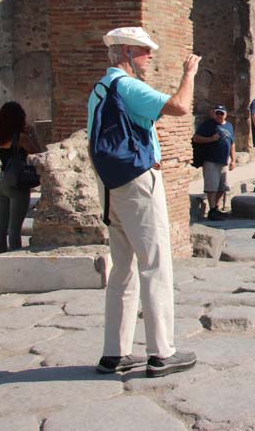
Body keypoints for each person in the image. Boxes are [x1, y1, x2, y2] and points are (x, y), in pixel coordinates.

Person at [87, 26, 198, 378]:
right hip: (138, 184)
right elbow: (180, 106)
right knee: (155, 263)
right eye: (145, 51)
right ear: (126, 54)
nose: (150, 57)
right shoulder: (128, 86)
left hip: (111, 187)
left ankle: (115, 353)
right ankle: (162, 352)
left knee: (122, 269)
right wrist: (188, 73)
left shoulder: (99, 89)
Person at [0, 101, 44, 253]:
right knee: (14, 228)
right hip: (17, 182)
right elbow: (38, 154)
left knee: (1, 226)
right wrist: (32, 134)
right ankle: (14, 257)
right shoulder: (20, 138)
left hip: (1, 180)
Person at [192, 104, 235, 221]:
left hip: (223, 161)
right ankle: (212, 211)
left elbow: (232, 144)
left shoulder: (229, 126)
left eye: (221, 113)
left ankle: (216, 208)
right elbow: (196, 138)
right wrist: (211, 139)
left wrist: (233, 160)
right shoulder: (208, 125)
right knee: (212, 187)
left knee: (222, 187)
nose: (219, 115)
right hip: (211, 160)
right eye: (217, 113)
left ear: (226, 114)